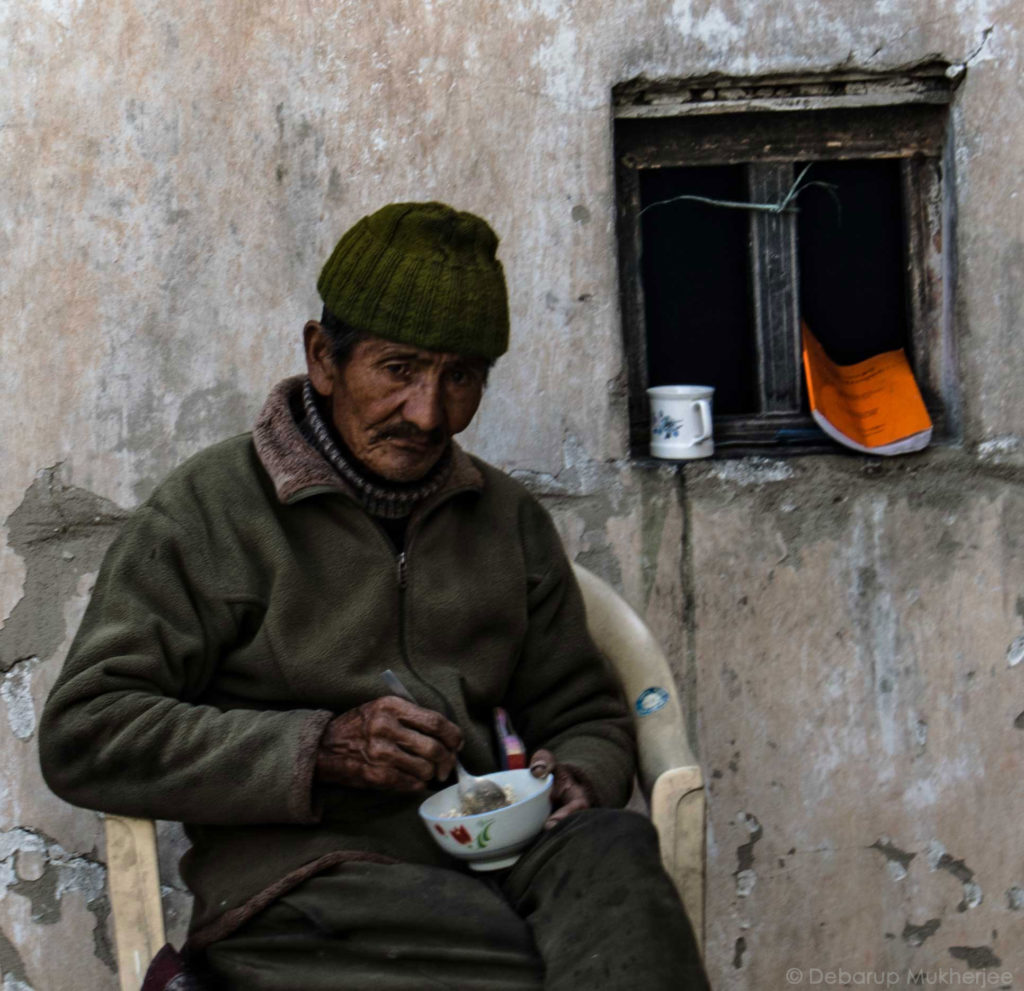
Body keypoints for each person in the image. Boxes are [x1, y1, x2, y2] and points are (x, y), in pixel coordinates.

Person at [39, 202, 709, 990]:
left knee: (618, 864)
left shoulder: (506, 520)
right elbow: (87, 729)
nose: (429, 413)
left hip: (504, 859)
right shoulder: (208, 514)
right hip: (308, 879)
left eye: (459, 377)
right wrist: (318, 748)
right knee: (514, 962)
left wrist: (581, 775)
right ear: (324, 359)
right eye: (399, 370)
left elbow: (584, 708)